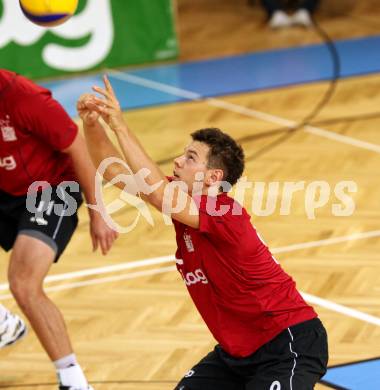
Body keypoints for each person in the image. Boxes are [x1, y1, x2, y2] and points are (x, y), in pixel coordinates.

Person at [78, 76, 328, 389]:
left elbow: (157, 194)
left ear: (213, 176)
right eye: (183, 154)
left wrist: (119, 124)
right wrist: (91, 124)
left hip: (288, 344)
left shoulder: (226, 213)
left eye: (190, 158)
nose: (178, 161)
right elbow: (113, 171)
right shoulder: (185, 205)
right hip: (236, 355)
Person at [0, 69, 118, 390]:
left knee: (23, 284)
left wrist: (98, 212)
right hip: (5, 189)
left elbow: (77, 148)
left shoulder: (23, 97)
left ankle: (74, 382)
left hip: (50, 189)